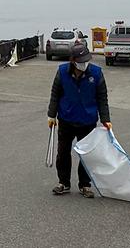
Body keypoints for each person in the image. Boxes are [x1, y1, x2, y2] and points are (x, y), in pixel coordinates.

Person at [47, 44, 112, 198]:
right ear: (73, 60)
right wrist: (51, 115)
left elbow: (102, 98)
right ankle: (64, 182)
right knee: (63, 153)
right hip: (66, 119)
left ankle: (84, 184)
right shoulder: (62, 72)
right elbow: (55, 94)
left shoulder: (96, 73)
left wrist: (105, 119)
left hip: (87, 120)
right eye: (81, 61)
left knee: (86, 155)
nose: (84, 64)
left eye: (86, 60)